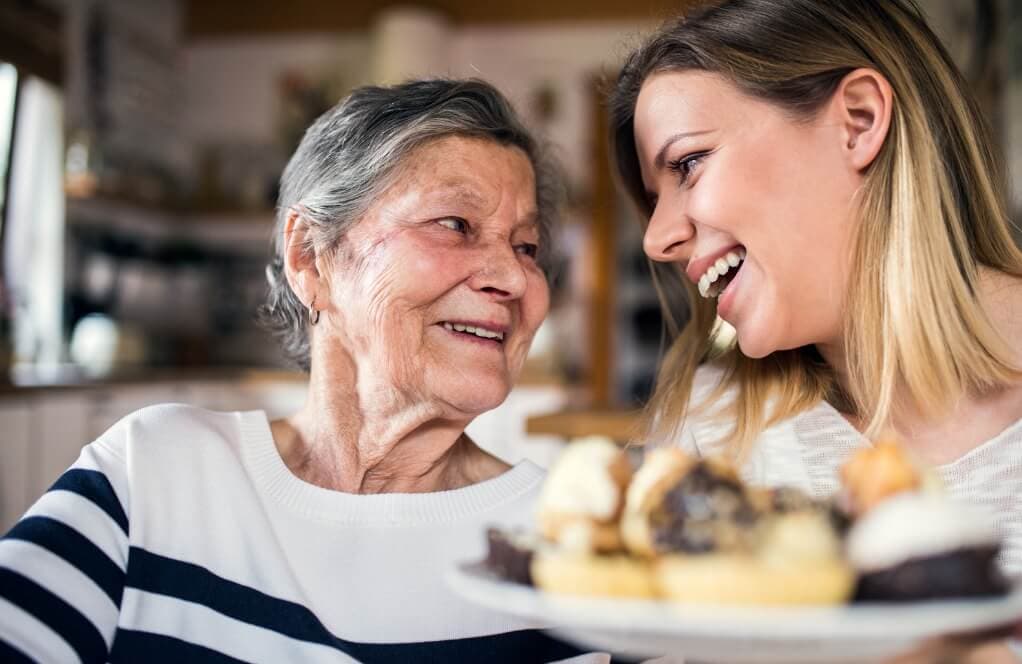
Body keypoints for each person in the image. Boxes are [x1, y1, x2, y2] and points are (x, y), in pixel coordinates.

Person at [0, 78, 603, 663]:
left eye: (527, 247)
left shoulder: (576, 541)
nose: (514, 277)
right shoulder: (155, 472)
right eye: (455, 224)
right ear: (311, 256)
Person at [609, 0, 1021, 660]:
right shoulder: (710, 436)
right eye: (655, 198)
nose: (658, 239)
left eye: (687, 164)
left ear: (857, 122)